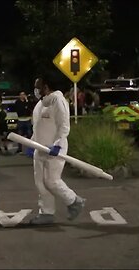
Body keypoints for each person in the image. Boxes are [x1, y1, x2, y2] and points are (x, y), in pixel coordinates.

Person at [26, 76, 86, 225]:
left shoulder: (58, 101)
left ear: (46, 87)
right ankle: (46, 213)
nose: (36, 90)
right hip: (39, 149)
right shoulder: (40, 105)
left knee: (51, 181)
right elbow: (38, 127)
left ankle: (74, 201)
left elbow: (64, 125)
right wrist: (32, 142)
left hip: (55, 149)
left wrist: (58, 144)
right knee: (40, 182)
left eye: (38, 86)